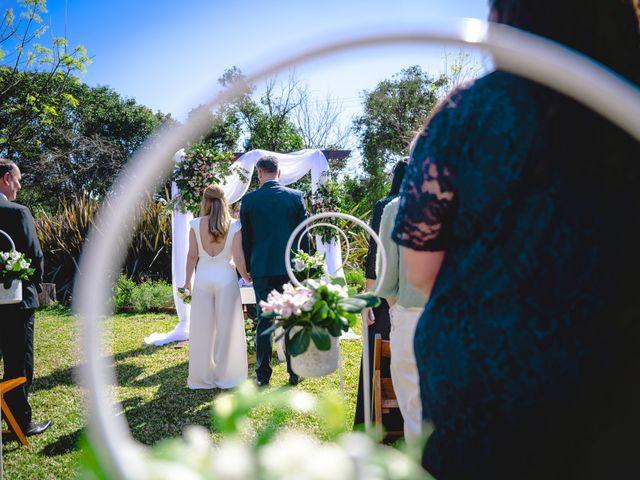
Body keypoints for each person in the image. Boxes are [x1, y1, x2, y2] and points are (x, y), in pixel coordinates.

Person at [392, 1, 640, 478]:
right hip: (617, 377)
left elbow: (420, 272)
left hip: (483, 382)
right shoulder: (627, 106)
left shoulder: (469, 110)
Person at [240, 156, 308, 387]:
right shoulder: (296, 197)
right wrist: (304, 269)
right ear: (279, 172)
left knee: (264, 321)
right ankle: (294, 373)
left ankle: (263, 375)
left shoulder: (249, 201)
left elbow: (246, 240)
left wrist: (248, 269)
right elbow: (303, 235)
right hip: (290, 269)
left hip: (261, 269)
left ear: (259, 173)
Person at [353, 159, 407, 432]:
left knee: (379, 354)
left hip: (385, 294)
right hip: (413, 293)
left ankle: (374, 422)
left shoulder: (383, 206)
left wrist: (369, 298)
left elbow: (375, 256)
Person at [0, 159, 51, 440]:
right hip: (16, 302)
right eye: (18, 179)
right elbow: (35, 257)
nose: (19, 185)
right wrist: (33, 284)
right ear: (7, 178)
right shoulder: (18, 213)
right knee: (18, 363)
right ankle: (18, 423)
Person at [183, 184, 249, 389]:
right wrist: (246, 277)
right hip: (227, 279)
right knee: (227, 329)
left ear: (205, 201)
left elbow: (192, 256)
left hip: (203, 279)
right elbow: (238, 256)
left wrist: (187, 282)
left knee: (202, 329)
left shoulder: (195, 224)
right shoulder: (235, 225)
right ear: (224, 200)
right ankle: (228, 377)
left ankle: (202, 379)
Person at [375, 196, 428, 445]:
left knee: (416, 412)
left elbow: (385, 278)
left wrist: (396, 308)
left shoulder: (397, 207)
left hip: (411, 316)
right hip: (463, 317)